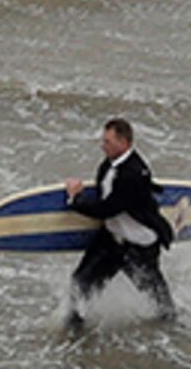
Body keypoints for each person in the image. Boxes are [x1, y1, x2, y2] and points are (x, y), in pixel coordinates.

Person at [60, 116, 177, 332]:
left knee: (159, 301)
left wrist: (75, 199)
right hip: (111, 240)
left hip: (139, 247)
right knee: (80, 283)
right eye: (103, 141)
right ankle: (73, 331)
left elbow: (107, 208)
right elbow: (106, 198)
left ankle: (171, 335)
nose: (102, 146)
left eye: (108, 142)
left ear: (123, 144)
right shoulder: (110, 164)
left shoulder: (132, 174)